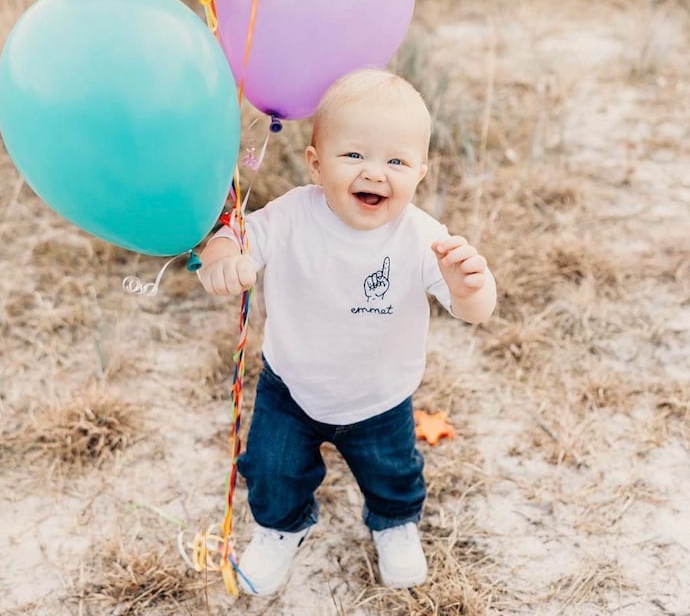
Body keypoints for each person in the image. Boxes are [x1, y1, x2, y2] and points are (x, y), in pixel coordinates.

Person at [197, 68, 497, 595]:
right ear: (316, 163)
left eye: (396, 161)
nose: (375, 173)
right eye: (354, 155)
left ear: (421, 172)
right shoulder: (291, 216)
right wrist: (223, 256)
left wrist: (470, 285)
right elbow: (234, 236)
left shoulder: (423, 236)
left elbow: (475, 312)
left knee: (393, 472)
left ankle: (395, 523)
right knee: (272, 469)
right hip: (290, 388)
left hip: (380, 398)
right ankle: (279, 528)